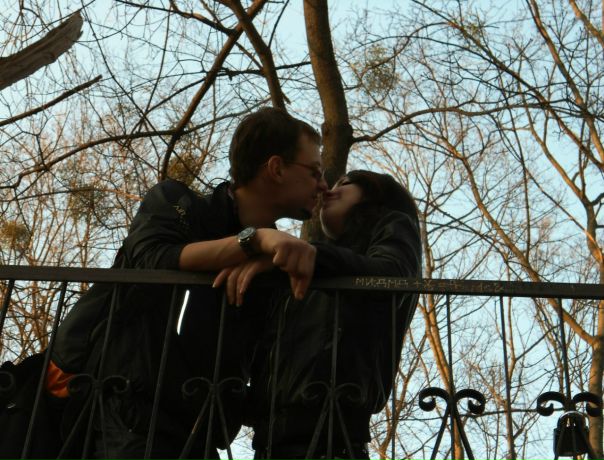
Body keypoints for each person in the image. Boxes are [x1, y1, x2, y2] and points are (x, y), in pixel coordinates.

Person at [45, 107, 327, 459]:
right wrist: (253, 240)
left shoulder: (274, 261)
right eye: (314, 171)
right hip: (128, 411)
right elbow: (151, 258)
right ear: (277, 168)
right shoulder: (176, 201)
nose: (323, 185)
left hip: (199, 429)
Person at [215, 170, 422, 460]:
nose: (329, 191)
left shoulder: (393, 224)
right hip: (269, 443)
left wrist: (311, 255)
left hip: (334, 438)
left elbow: (392, 276)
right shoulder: (314, 269)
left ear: (375, 194)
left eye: (345, 184)